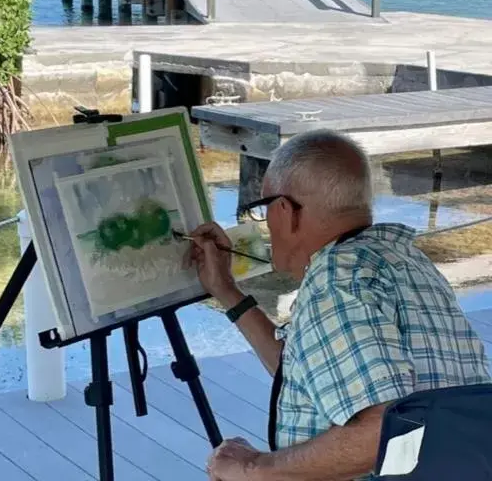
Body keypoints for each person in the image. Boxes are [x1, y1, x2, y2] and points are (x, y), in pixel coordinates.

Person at [189, 130, 491, 481]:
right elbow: (314, 370)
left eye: (263, 210)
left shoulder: (336, 282)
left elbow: (381, 432)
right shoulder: (405, 260)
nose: (266, 223)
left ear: (286, 212)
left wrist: (249, 468)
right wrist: (227, 291)